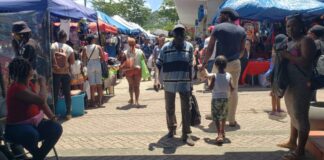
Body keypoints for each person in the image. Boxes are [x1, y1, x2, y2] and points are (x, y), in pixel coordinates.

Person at [4, 58, 62, 160]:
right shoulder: (17, 89)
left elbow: (42, 104)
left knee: (56, 128)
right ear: (27, 72)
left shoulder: (29, 84)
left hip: (34, 124)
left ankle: (38, 156)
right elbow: (41, 100)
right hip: (17, 128)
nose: (33, 70)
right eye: (31, 68)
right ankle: (39, 156)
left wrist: (52, 117)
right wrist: (43, 83)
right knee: (32, 134)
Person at [277, 15, 317, 160]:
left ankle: (300, 150)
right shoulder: (290, 41)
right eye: (288, 26)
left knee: (301, 115)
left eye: (293, 25)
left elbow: (306, 62)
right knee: (293, 113)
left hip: (302, 84)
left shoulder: (306, 40)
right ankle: (292, 141)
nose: (290, 29)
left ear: (301, 26)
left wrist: (287, 56)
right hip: (291, 83)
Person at [200, 7, 246, 127]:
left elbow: (210, 48)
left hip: (220, 64)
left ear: (226, 16)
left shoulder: (218, 28)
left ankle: (215, 114)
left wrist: (204, 63)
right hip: (235, 63)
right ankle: (231, 119)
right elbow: (242, 51)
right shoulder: (241, 30)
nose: (219, 17)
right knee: (233, 90)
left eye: (221, 15)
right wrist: (235, 57)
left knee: (216, 89)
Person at [154, 24, 195, 146]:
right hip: (169, 83)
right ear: (174, 36)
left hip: (184, 83)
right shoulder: (165, 48)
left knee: (186, 109)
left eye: (183, 37)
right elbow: (158, 64)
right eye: (178, 37)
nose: (181, 39)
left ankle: (186, 133)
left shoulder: (189, 47)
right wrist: (156, 80)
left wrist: (191, 82)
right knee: (170, 108)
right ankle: (172, 129)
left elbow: (190, 65)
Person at [205, 55, 234, 144]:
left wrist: (208, 82)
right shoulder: (229, 75)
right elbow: (232, 88)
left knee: (216, 117)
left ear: (216, 66)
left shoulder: (214, 76)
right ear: (226, 65)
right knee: (224, 116)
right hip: (225, 99)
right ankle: (222, 130)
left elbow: (210, 88)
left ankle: (219, 134)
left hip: (216, 99)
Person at [51, 30, 75, 120]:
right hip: (65, 73)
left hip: (55, 73)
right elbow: (72, 61)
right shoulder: (69, 48)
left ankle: (53, 114)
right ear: (65, 37)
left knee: (55, 93)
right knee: (67, 93)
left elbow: (49, 59)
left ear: (58, 37)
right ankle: (68, 113)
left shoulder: (52, 46)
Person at [82, 34, 104, 107]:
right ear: (92, 40)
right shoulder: (98, 47)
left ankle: (93, 102)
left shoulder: (85, 48)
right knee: (99, 84)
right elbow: (103, 57)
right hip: (97, 63)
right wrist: (99, 59)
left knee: (92, 85)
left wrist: (84, 67)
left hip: (90, 64)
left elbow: (83, 59)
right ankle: (100, 101)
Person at [120, 37, 144, 106]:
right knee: (137, 86)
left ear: (128, 44)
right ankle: (137, 101)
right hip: (137, 70)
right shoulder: (140, 51)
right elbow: (144, 60)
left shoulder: (125, 52)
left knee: (130, 85)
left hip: (128, 71)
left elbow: (122, 62)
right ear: (135, 43)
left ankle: (131, 99)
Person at [307, 24, 324, 102]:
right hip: (320, 74)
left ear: (313, 34)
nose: (307, 34)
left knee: (309, 94)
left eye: (309, 32)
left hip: (316, 74)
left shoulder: (315, 43)